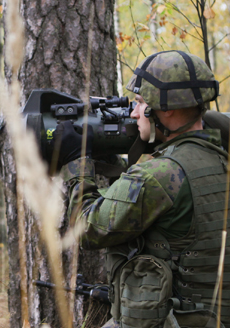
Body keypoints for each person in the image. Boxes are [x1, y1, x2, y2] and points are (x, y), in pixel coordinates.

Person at [55, 50, 226, 327]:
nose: (134, 113)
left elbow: (86, 229)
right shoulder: (221, 156)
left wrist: (76, 162)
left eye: (139, 102)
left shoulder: (160, 175)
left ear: (165, 109)